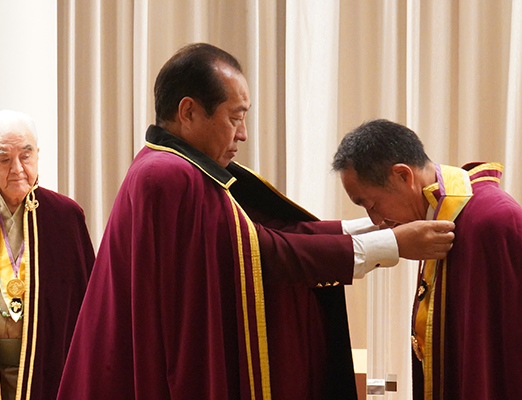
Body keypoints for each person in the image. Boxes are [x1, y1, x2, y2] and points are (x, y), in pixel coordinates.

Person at [56, 43, 455, 400]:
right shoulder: (168, 175)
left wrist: (368, 229)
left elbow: (264, 235)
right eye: (236, 117)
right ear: (189, 111)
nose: (243, 134)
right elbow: (257, 253)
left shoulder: (172, 166)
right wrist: (392, 245)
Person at [332, 119, 522, 400]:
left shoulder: (493, 220)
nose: (376, 220)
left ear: (403, 176)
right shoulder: (437, 215)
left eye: (372, 205)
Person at [0, 110, 94, 400]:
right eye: (4, 159)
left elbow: (87, 308)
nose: (17, 168)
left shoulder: (65, 217)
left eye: (25, 155)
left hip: (48, 368)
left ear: (38, 155)